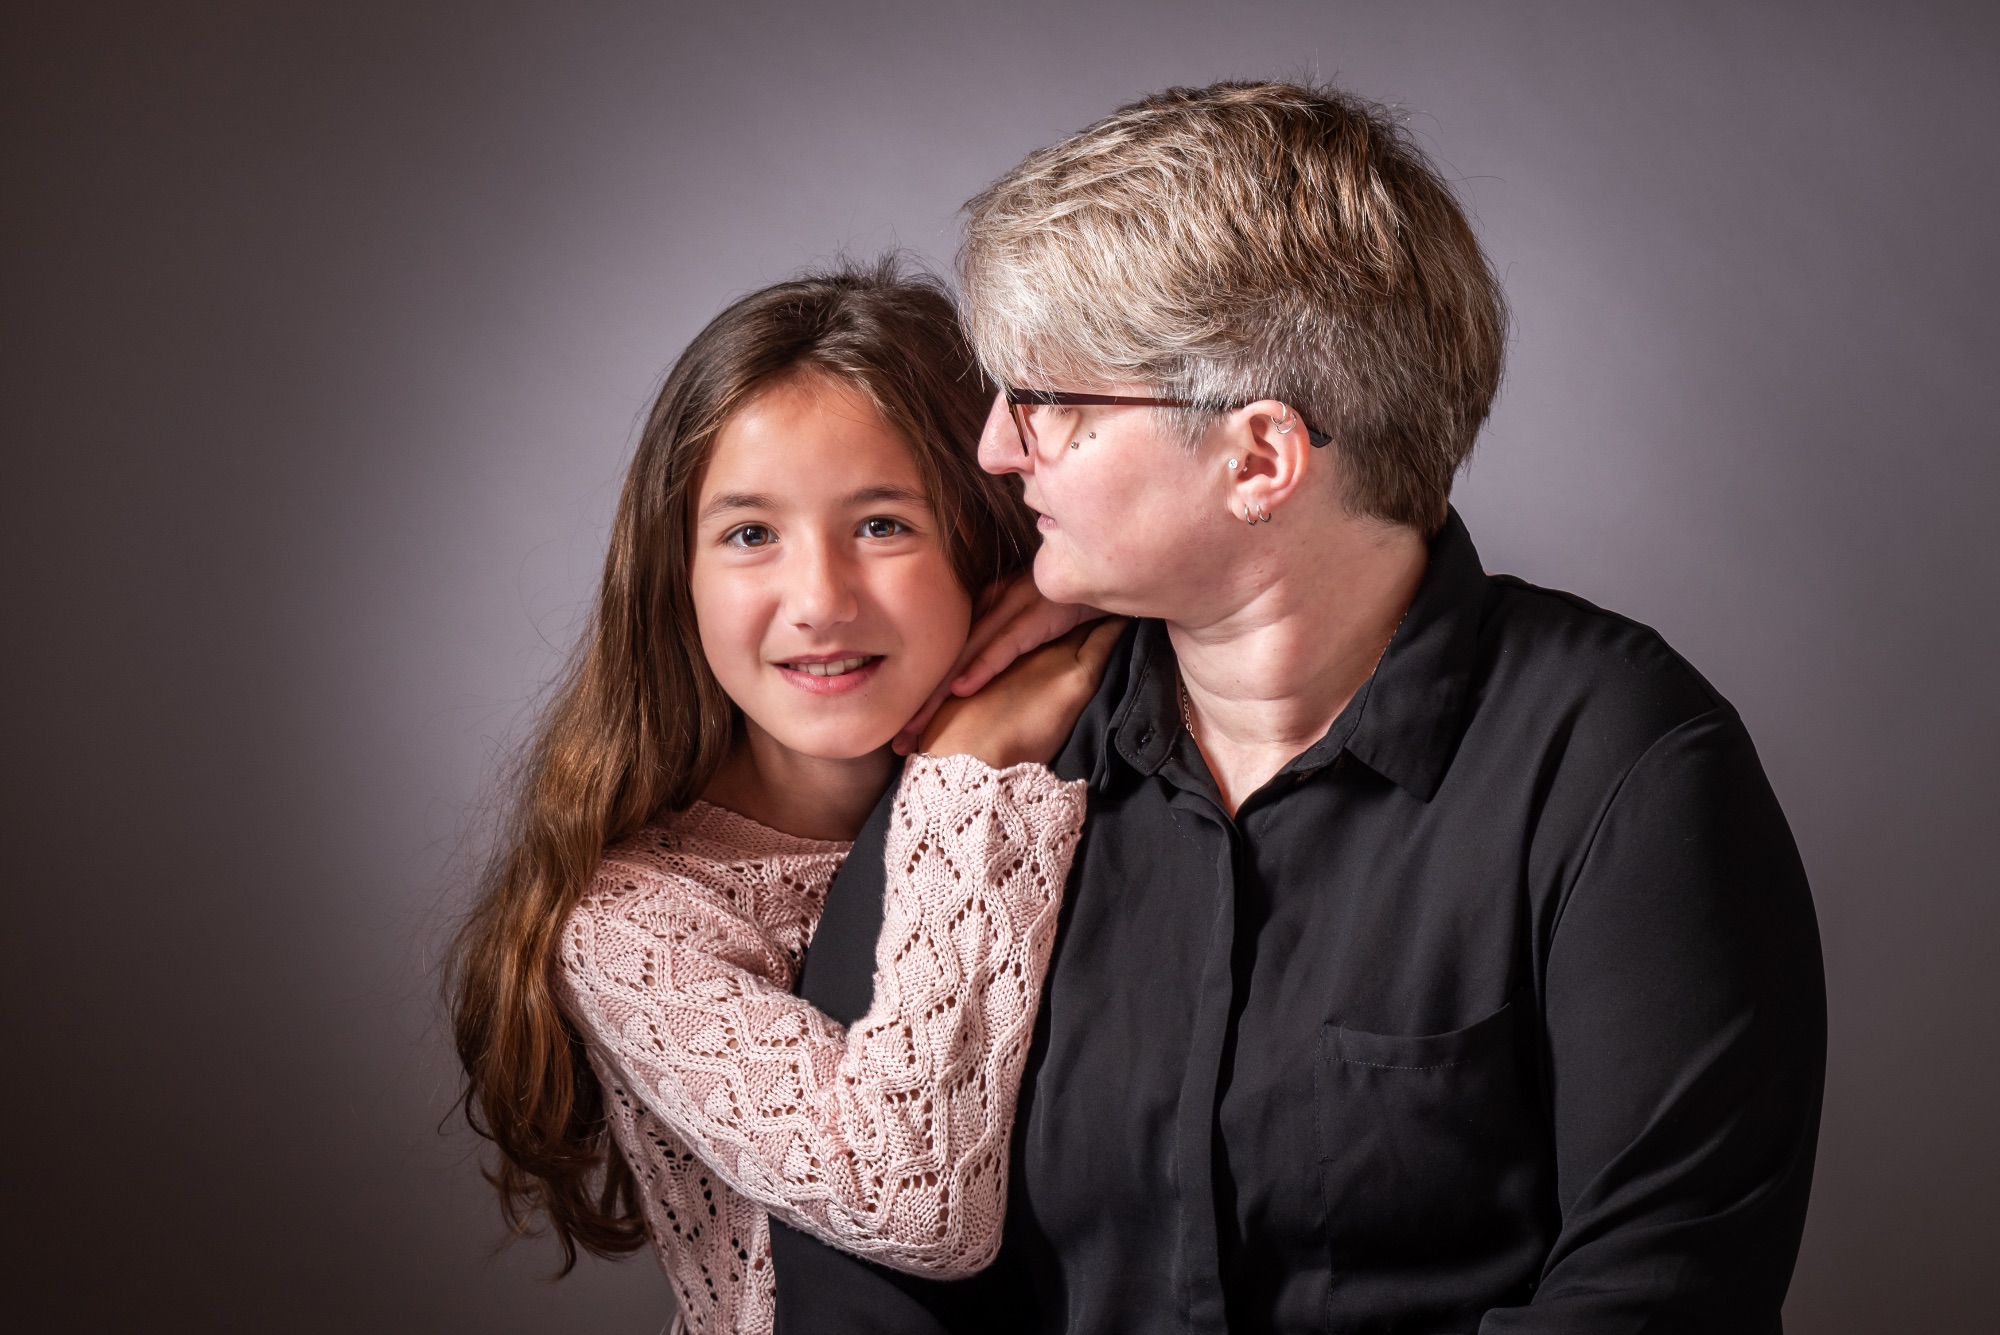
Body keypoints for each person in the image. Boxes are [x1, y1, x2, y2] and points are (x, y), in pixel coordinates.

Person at [779, 82, 1828, 1333]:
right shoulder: (992, 754)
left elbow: (1657, 1295)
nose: (998, 448)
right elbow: (857, 1272)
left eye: (1051, 400)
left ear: (1260, 458)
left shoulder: (1621, 765)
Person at [446, 261, 1123, 1334]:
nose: (817, 601)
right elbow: (914, 1202)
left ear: (979, 537)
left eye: (882, 525)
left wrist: (1080, 605)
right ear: (679, 579)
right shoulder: (636, 923)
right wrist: (969, 766)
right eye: (750, 534)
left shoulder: (1097, 768)